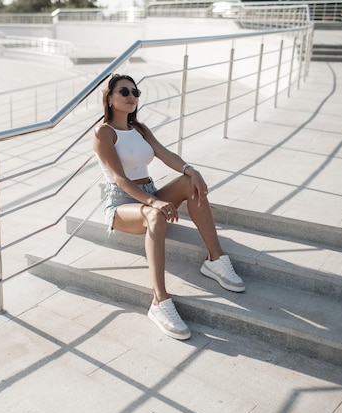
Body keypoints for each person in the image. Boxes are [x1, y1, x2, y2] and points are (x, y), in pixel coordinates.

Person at [93, 74, 245, 341]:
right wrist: (154, 202)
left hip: (149, 192)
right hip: (122, 204)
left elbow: (165, 154)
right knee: (154, 214)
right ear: (109, 98)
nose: (132, 96)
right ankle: (160, 301)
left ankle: (215, 260)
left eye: (135, 92)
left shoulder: (139, 129)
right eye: (124, 91)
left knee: (189, 183)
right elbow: (119, 179)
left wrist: (190, 169)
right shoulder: (104, 132)